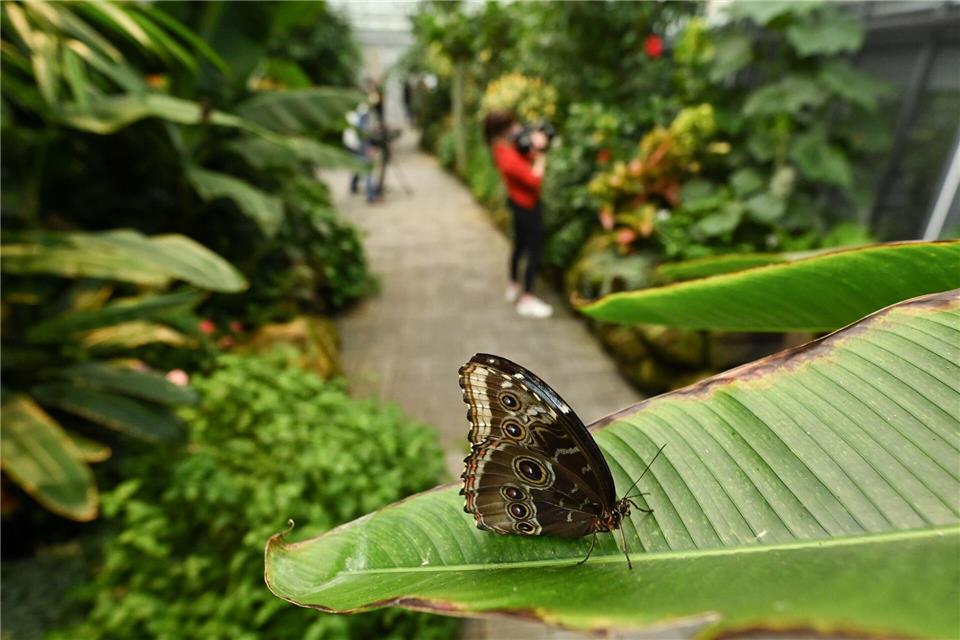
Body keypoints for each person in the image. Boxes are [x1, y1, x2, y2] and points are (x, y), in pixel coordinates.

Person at [484, 109, 553, 319]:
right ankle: (527, 298)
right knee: (534, 250)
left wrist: (533, 145)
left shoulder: (503, 147)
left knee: (519, 245)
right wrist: (541, 155)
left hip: (517, 202)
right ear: (502, 130)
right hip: (527, 205)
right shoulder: (505, 155)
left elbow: (524, 153)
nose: (516, 129)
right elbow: (533, 180)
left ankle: (514, 285)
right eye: (512, 126)